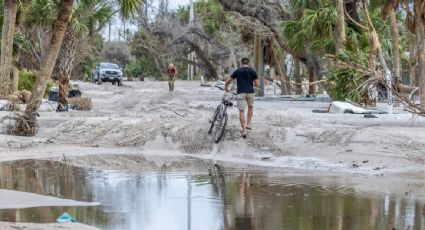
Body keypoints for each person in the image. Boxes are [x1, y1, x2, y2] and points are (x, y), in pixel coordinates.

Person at [224, 58, 259, 138]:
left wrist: (226, 88)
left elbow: (228, 81)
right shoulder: (252, 71)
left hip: (241, 93)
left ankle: (244, 130)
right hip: (250, 92)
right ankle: (248, 124)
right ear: (248, 63)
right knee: (250, 107)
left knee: (242, 111)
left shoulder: (237, 71)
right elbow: (257, 84)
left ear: (241, 63)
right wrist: (251, 85)